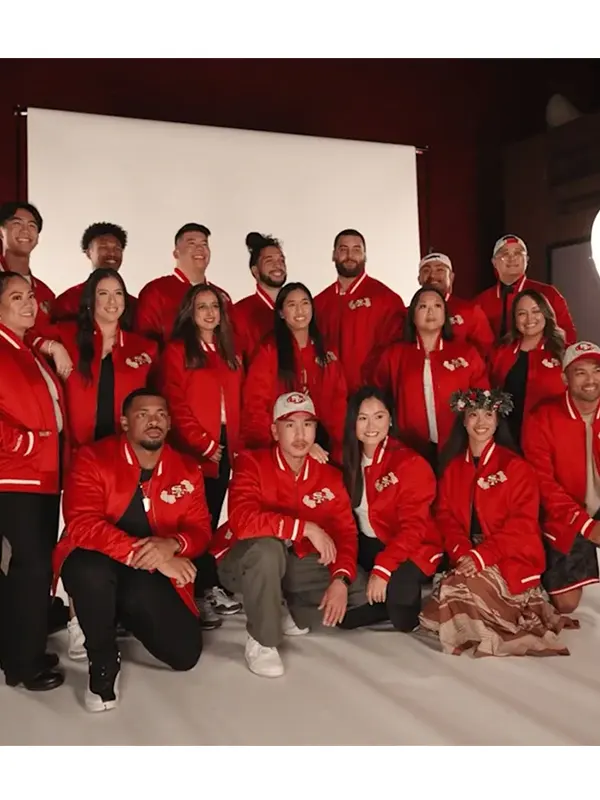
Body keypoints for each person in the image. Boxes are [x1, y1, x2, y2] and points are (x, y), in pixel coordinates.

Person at [54, 389, 211, 712]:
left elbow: (201, 531)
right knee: (87, 570)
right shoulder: (92, 458)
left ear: (169, 423)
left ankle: (113, 611)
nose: (154, 421)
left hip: (144, 578)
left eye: (161, 414)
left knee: (184, 655)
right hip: (100, 562)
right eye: (143, 414)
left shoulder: (187, 468)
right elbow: (81, 524)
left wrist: (172, 545)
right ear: (125, 422)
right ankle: (102, 661)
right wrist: (151, 556)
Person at [34, 268, 158, 659]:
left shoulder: (142, 346)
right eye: (102, 293)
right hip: (76, 457)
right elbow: (24, 341)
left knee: (116, 531)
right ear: (90, 300)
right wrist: (51, 347)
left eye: (118, 293)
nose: (111, 300)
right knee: (78, 535)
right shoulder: (68, 336)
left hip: (123, 461)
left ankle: (109, 613)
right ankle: (77, 620)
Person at [212, 392, 367, 677]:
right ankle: (263, 640)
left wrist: (341, 578)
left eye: (307, 425)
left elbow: (346, 532)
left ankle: (280, 603)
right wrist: (305, 527)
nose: (300, 434)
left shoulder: (329, 474)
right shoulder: (251, 463)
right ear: (274, 430)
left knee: (359, 589)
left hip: (293, 561)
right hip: (241, 562)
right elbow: (243, 521)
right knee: (268, 550)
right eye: (290, 425)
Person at [419, 387, 570, 657]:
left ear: (498, 420)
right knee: (440, 603)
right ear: (463, 420)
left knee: (456, 588)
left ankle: (493, 625)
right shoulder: (454, 467)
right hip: (469, 552)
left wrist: (482, 556)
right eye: (473, 415)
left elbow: (523, 524)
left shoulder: (516, 467)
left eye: (488, 414)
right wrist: (461, 551)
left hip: (510, 553)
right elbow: (444, 516)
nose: (481, 422)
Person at [159, 283, 243, 626]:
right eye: (201, 306)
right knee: (192, 520)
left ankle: (204, 586)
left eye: (214, 306)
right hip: (193, 449)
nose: (209, 312)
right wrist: (205, 444)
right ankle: (194, 589)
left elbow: (239, 403)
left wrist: (231, 448)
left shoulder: (229, 352)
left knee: (208, 519)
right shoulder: (178, 351)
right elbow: (174, 405)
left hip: (225, 445)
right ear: (189, 313)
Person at [0, 271, 66, 691]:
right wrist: (25, 444)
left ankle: (21, 647)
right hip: (15, 477)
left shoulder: (25, 349)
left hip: (42, 476)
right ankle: (22, 666)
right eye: (16, 297)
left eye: (31, 297)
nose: (29, 304)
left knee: (34, 569)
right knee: (30, 567)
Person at [340, 387, 443, 632]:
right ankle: (381, 600)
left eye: (379, 416)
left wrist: (383, 569)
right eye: (362, 418)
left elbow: (414, 529)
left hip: (414, 546)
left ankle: (391, 601)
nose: (371, 426)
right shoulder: (347, 458)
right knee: (340, 616)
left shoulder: (409, 463)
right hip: (372, 542)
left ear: (391, 419)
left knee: (404, 622)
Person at [523, 341, 600, 614]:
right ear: (564, 378)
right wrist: (586, 525)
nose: (591, 380)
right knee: (566, 604)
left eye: (597, 370)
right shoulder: (541, 418)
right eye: (580, 372)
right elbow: (543, 484)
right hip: (566, 513)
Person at [373, 286, 489, 465]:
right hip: (410, 446)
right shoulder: (394, 355)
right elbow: (379, 396)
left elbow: (483, 398)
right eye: (423, 306)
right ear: (412, 315)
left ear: (445, 314)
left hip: (459, 444)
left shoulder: (466, 353)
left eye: (437, 306)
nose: (430, 312)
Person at [241, 282, 347, 464]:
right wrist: (289, 446)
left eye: (305, 303)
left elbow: (338, 401)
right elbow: (255, 405)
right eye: (292, 305)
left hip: (324, 446)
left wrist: (342, 447)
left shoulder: (325, 350)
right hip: (281, 447)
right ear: (281, 313)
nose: (300, 310)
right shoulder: (269, 350)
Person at [314, 229, 406, 395]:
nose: (350, 255)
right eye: (343, 249)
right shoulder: (319, 303)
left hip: (372, 397)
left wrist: (371, 385)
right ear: (333, 255)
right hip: (330, 397)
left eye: (356, 250)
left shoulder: (386, 299)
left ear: (365, 255)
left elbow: (396, 351)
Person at [135, 223, 231, 347]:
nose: (200, 249)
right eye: (192, 244)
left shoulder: (221, 296)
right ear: (176, 253)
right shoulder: (156, 291)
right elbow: (144, 343)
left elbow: (231, 341)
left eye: (204, 244)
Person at [490, 289, 566, 444]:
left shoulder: (563, 353)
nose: (529, 318)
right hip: (506, 436)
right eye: (522, 313)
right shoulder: (502, 351)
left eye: (536, 311)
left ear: (546, 314)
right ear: (515, 319)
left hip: (549, 437)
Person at [475, 234, 576, 344]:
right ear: (494, 262)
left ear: (526, 259)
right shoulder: (480, 302)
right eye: (505, 254)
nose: (512, 258)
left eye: (518, 253)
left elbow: (568, 336)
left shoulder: (548, 294)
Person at [51, 222, 136, 322]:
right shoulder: (68, 300)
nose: (112, 253)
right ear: (88, 252)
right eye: (104, 247)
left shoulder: (135, 305)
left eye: (117, 248)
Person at [417, 252, 494, 357]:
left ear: (451, 277)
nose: (432, 275)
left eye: (440, 270)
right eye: (426, 270)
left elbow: (486, 353)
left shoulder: (470, 311)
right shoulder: (408, 314)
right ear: (419, 279)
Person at [232, 232, 287, 369]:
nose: (278, 266)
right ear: (255, 271)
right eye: (269, 261)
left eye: (281, 260)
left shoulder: (297, 308)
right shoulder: (239, 313)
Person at [0, 201, 55, 328]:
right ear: (1, 231)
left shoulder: (45, 294)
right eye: (17, 223)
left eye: (32, 226)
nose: (25, 230)